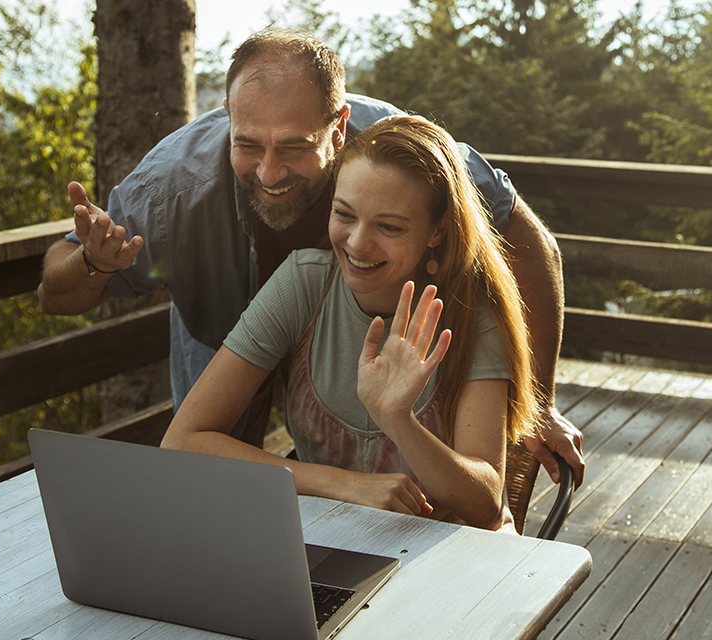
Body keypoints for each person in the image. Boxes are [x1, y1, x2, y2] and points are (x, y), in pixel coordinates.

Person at [37, 29, 584, 486]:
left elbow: (533, 248)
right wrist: (95, 264)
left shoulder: (399, 153)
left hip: (363, 341)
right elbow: (53, 294)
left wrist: (536, 406)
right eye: (248, 144)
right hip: (220, 337)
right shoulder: (168, 189)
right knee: (209, 490)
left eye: (295, 147)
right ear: (228, 116)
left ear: (340, 127)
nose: (270, 172)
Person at [163, 116, 536, 530]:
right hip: (326, 538)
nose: (358, 243)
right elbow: (183, 441)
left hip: (447, 555)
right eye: (345, 214)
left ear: (437, 231)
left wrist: (398, 419)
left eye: (389, 226)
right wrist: (344, 485)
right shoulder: (303, 281)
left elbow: (485, 506)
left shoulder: (471, 313)